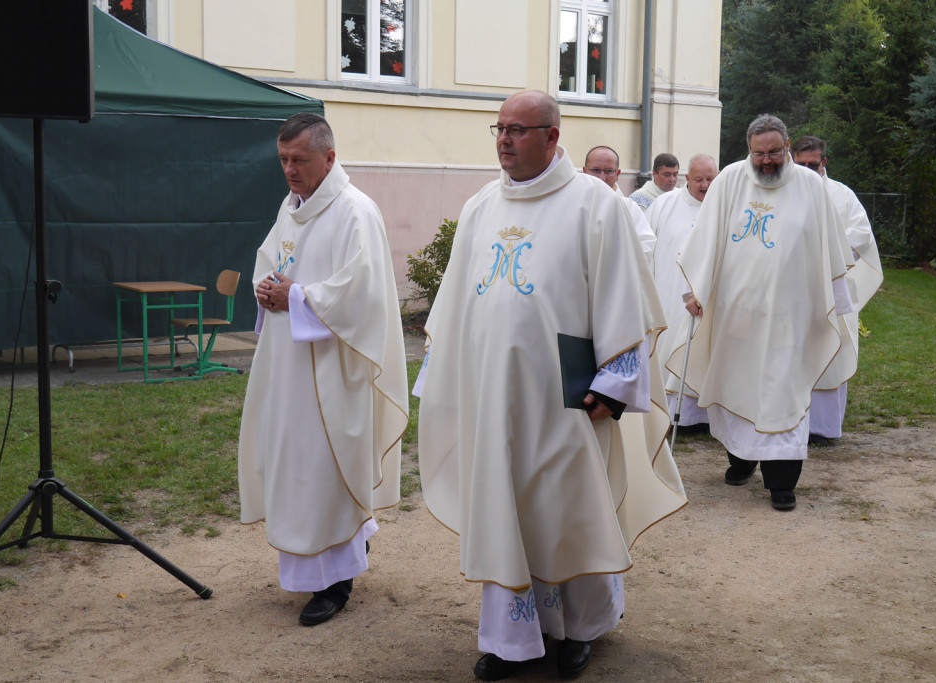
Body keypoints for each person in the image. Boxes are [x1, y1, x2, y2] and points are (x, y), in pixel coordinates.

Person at [415, 90, 687, 680]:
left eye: (517, 129)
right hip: (493, 398)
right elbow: (457, 302)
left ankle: (581, 630)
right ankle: (511, 638)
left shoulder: (596, 204)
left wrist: (616, 379)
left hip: (567, 399)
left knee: (570, 511)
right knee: (503, 506)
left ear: (551, 137)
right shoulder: (481, 206)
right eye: (499, 129)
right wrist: (440, 378)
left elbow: (622, 296)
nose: (504, 140)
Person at [237, 113, 408, 627]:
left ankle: (335, 580)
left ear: (329, 159)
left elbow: (366, 294)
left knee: (326, 468)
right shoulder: (291, 209)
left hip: (334, 369)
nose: (289, 170)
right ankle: (322, 562)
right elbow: (270, 260)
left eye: (299, 160)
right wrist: (266, 289)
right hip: (289, 366)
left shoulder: (356, 212)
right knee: (295, 465)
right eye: (284, 160)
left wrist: (300, 297)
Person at [671, 114, 854, 511]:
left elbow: (829, 249)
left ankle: (782, 483)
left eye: (774, 152)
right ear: (748, 149)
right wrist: (694, 291)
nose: (767, 161)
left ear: (787, 148)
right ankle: (740, 461)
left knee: (782, 393)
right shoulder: (730, 181)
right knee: (737, 384)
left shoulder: (810, 187)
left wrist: (837, 306)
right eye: (759, 153)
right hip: (737, 313)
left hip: (791, 315)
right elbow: (705, 240)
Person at [791, 135, 883, 447]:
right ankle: (789, 419)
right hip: (790, 291)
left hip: (831, 288)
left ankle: (823, 427)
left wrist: (826, 254)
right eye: (800, 164)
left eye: (812, 165)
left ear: (824, 163)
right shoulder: (780, 192)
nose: (806, 170)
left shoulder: (842, 196)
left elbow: (860, 236)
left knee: (831, 349)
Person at [645, 153, 719, 431]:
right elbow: (646, 252)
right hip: (668, 293)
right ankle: (676, 413)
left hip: (710, 300)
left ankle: (706, 415)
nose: (705, 185)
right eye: (699, 179)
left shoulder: (725, 206)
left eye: (710, 179)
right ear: (687, 178)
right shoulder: (664, 205)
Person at [583, 145, 657, 259]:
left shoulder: (629, 208)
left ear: (617, 174)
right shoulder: (573, 205)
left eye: (608, 171)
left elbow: (647, 244)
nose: (602, 178)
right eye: (596, 170)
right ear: (585, 171)